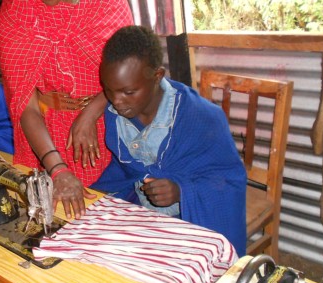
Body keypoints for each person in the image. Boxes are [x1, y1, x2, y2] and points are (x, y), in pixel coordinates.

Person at [90, 25, 247, 255]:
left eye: (128, 92)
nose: (117, 102)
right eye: (109, 91)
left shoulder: (201, 117)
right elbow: (127, 172)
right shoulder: (116, 116)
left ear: (157, 76)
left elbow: (229, 181)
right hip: (143, 216)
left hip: (192, 222)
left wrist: (182, 190)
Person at [0, 0, 133, 219]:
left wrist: (89, 115)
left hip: (112, 115)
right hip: (50, 134)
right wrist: (57, 168)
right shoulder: (14, 14)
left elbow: (132, 72)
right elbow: (25, 105)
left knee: (117, 210)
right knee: (65, 217)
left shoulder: (108, 4)